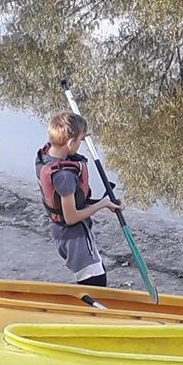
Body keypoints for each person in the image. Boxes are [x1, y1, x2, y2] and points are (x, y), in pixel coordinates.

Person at [35, 111, 120, 287]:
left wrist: (80, 131)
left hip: (63, 233)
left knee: (97, 271)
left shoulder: (47, 154)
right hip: (75, 239)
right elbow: (71, 217)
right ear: (70, 142)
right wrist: (102, 205)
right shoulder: (64, 176)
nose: (82, 143)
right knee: (96, 283)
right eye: (81, 140)